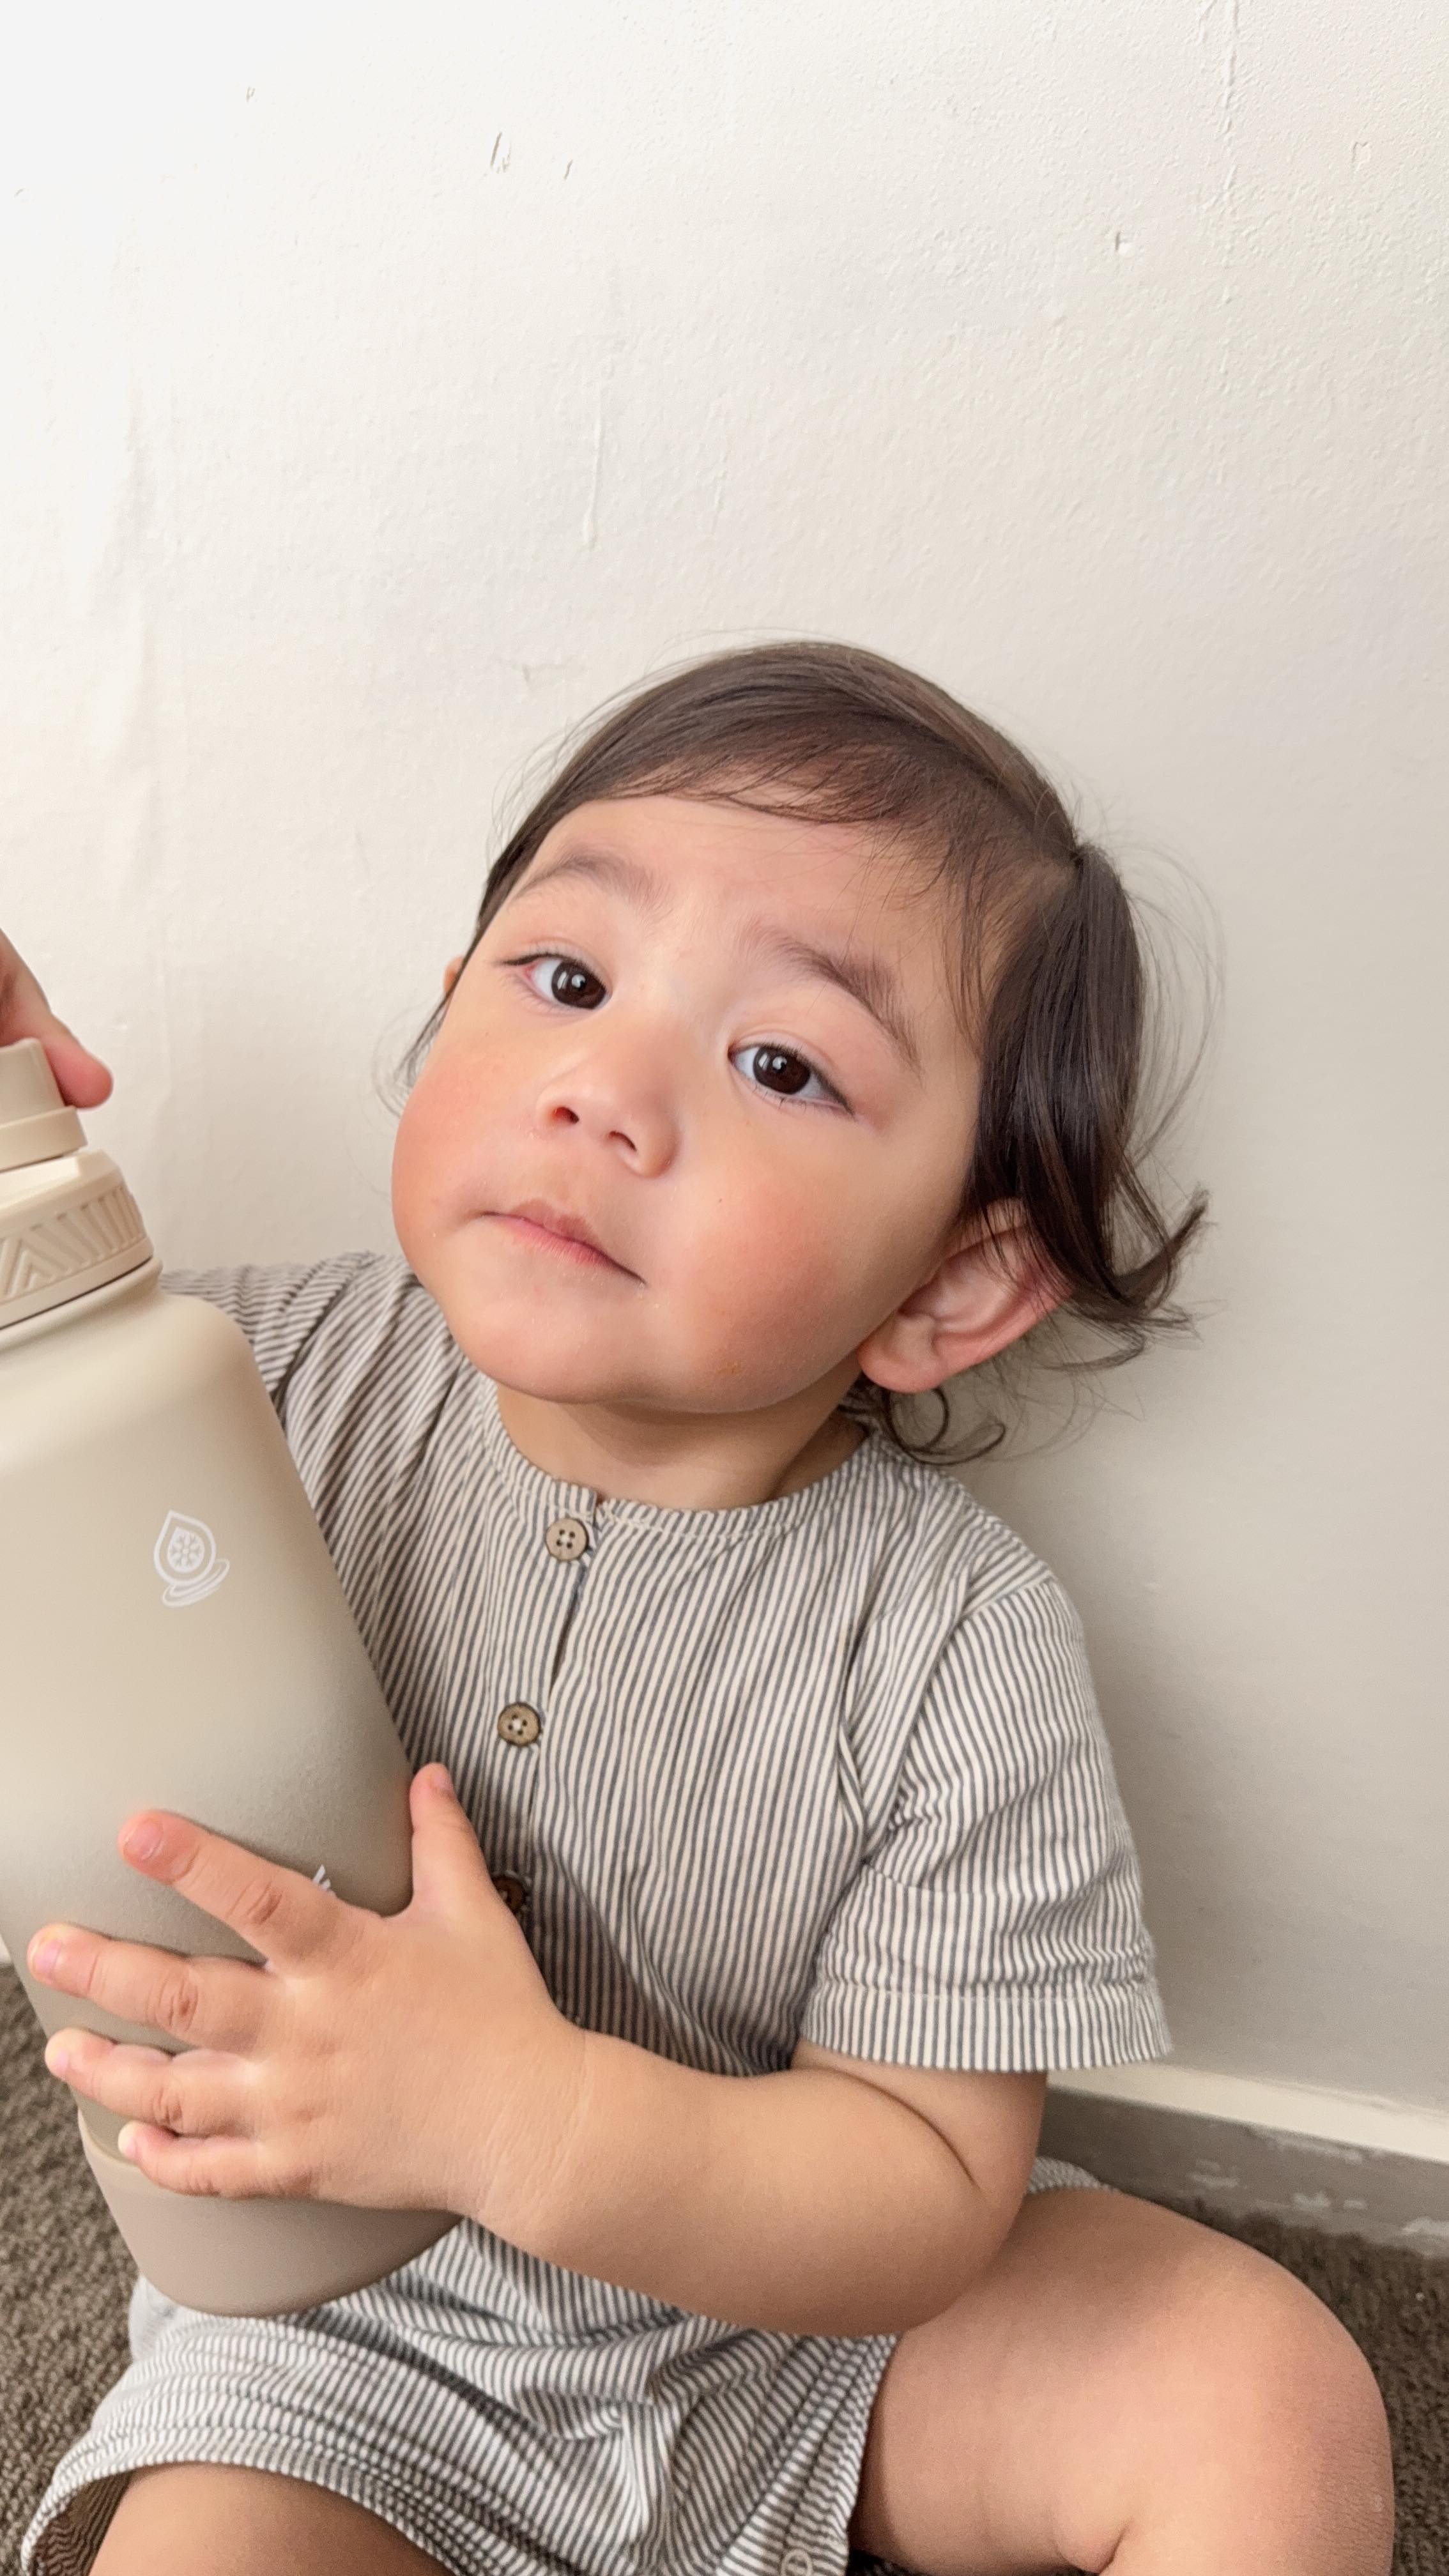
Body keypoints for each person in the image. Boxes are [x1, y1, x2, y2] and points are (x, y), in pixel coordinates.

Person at [9, 641, 1391, 2575]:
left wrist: (519, 2113)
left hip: (798, 2336)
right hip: (339, 2347)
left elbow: (922, 2189)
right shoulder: (211, 1396)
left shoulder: (949, 1642)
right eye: (566, 981)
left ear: (948, 1290)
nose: (606, 1091)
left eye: (781, 1066)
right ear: (442, 1023)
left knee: (1257, 2388)